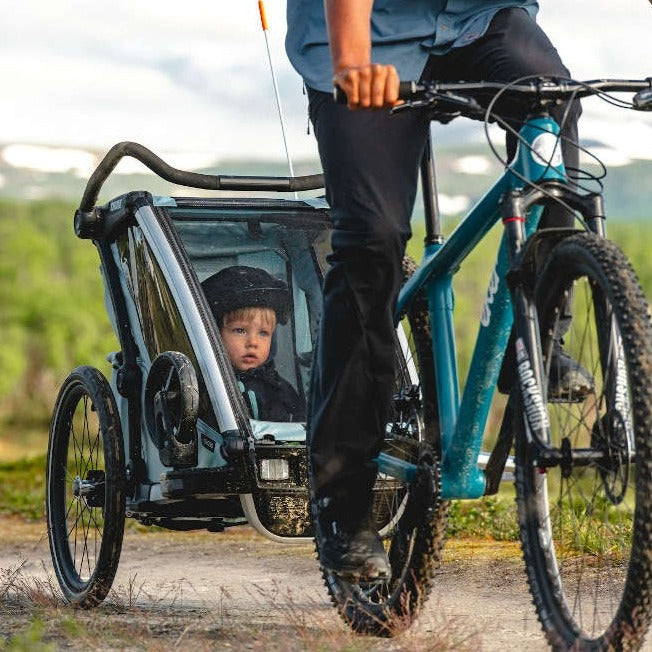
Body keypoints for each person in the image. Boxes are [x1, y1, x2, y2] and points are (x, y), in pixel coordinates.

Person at [285, 1, 591, 581]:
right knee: (371, 242)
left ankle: (538, 340)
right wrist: (352, 63)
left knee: (553, 104)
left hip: (480, 20)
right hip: (367, 36)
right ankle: (343, 500)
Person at [201, 266, 305, 422]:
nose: (253, 343)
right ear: (215, 333)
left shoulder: (280, 393)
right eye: (240, 330)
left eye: (263, 333)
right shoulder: (206, 389)